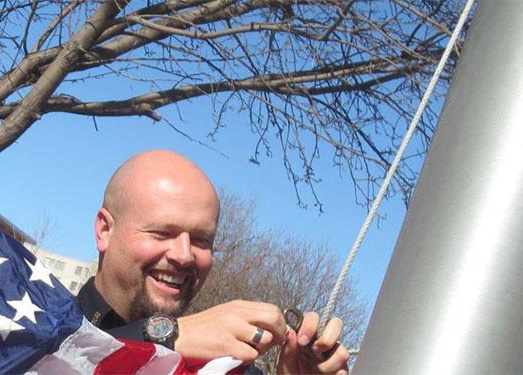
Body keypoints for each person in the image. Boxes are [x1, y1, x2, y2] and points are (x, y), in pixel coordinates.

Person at [76, 150, 352, 374]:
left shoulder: (225, 368)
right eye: (162, 233)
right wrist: (166, 337)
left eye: (201, 240)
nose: (184, 255)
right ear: (105, 231)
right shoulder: (38, 325)